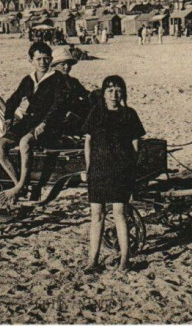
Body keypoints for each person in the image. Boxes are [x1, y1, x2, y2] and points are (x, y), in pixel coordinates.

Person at [81, 75, 146, 274]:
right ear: (104, 93)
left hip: (120, 170)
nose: (114, 95)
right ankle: (93, 260)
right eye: (110, 90)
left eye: (118, 91)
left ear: (123, 93)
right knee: (97, 215)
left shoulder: (129, 114)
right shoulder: (96, 114)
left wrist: (130, 168)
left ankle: (125, 259)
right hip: (99, 170)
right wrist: (89, 168)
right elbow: (88, 143)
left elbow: (136, 144)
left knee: (120, 214)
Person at [0, 42, 56, 203]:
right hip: (28, 121)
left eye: (45, 58)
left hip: (49, 125)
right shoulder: (28, 80)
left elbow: (58, 106)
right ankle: (18, 184)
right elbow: (13, 99)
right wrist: (8, 117)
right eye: (38, 59)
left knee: (25, 142)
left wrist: (45, 123)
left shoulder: (57, 80)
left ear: (51, 59)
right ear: (31, 61)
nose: (42, 62)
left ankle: (22, 184)